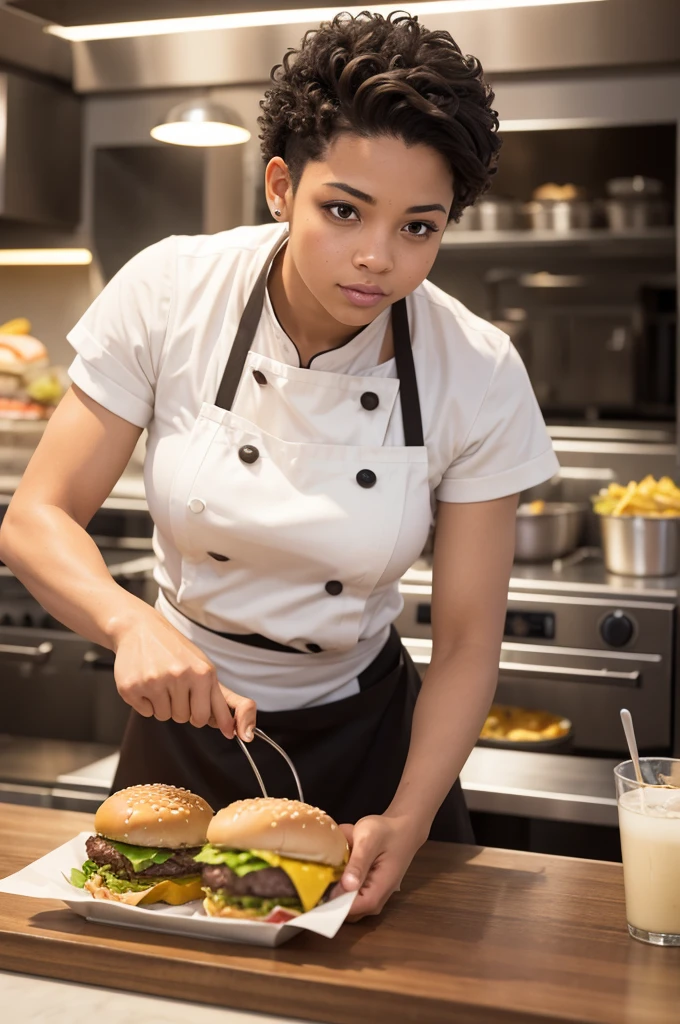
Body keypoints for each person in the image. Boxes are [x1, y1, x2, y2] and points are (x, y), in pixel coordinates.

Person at [0, 11, 559, 920]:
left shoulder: (478, 368)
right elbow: (36, 517)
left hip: (372, 736)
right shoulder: (172, 291)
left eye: (419, 228)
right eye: (343, 210)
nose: (378, 259)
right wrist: (128, 623)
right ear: (279, 185)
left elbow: (464, 645)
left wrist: (410, 818)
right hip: (181, 727)